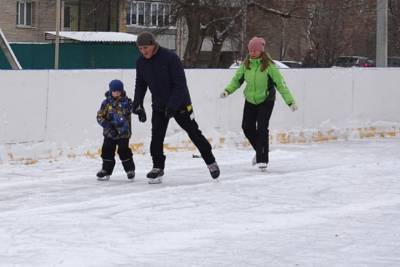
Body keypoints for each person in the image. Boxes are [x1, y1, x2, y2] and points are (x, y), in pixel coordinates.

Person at [132, 31, 220, 184]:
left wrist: (172, 106)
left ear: (153, 45)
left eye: (145, 47)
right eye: (140, 48)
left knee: (193, 132)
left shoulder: (170, 58)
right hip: (159, 105)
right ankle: (157, 167)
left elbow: (180, 85)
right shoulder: (141, 63)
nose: (143, 51)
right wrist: (137, 103)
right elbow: (140, 84)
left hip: (180, 104)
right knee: (156, 137)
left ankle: (210, 160)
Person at [221, 37, 298, 171]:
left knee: (262, 128)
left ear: (261, 51)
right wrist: (228, 90)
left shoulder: (269, 66)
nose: (252, 52)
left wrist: (290, 101)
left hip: (266, 100)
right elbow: (236, 80)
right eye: (250, 50)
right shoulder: (246, 65)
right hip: (250, 99)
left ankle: (262, 160)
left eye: (255, 50)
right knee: (247, 127)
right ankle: (260, 151)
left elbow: (281, 85)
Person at [96, 79, 135, 181]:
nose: (116, 93)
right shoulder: (106, 103)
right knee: (107, 150)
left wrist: (139, 111)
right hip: (110, 133)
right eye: (114, 91)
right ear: (110, 91)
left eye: (119, 91)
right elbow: (99, 116)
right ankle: (106, 170)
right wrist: (107, 126)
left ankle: (130, 170)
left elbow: (134, 109)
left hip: (123, 133)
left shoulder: (127, 102)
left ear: (122, 91)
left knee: (123, 150)